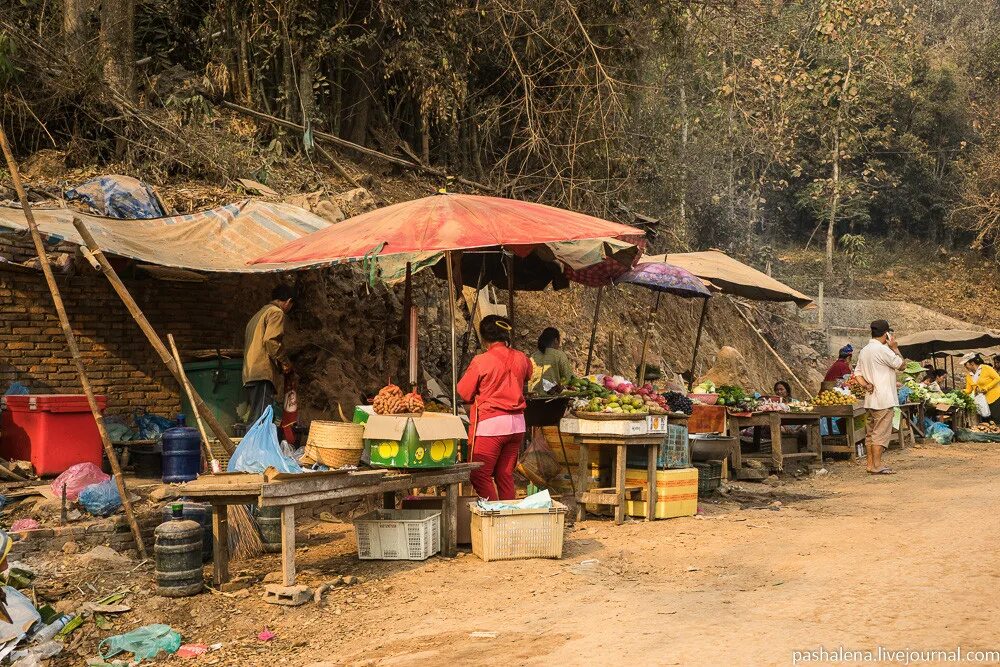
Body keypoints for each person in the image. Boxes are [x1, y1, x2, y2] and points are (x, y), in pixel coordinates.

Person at [457, 315, 533, 500]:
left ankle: (493, 515)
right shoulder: (522, 357)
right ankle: (508, 521)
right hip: (517, 425)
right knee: (504, 475)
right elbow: (528, 375)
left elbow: (464, 393)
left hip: (491, 425)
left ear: (484, 338)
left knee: (479, 475)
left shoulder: (481, 360)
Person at [854, 319, 906, 475]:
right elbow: (902, 365)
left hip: (870, 400)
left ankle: (870, 465)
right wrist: (895, 348)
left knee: (870, 434)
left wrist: (866, 385)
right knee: (880, 434)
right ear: (887, 334)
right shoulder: (884, 350)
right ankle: (877, 465)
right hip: (884, 400)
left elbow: (857, 373)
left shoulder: (864, 350)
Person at [243, 284, 294, 425]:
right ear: (288, 301)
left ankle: (252, 446)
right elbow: (271, 340)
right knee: (261, 419)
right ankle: (255, 447)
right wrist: (284, 362)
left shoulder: (258, 314)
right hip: (262, 373)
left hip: (249, 373)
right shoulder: (276, 313)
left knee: (255, 416)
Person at [530, 327, 573, 393]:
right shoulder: (559, 355)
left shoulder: (533, 356)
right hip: (553, 398)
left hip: (533, 398)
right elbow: (569, 378)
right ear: (556, 340)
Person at [962, 353, 1000, 423]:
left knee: (996, 420)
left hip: (994, 399)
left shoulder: (986, 368)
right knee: (986, 422)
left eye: (965, 364)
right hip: (981, 401)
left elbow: (997, 378)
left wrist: (986, 388)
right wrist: (961, 392)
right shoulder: (968, 376)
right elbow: (969, 390)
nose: (965, 366)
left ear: (972, 363)